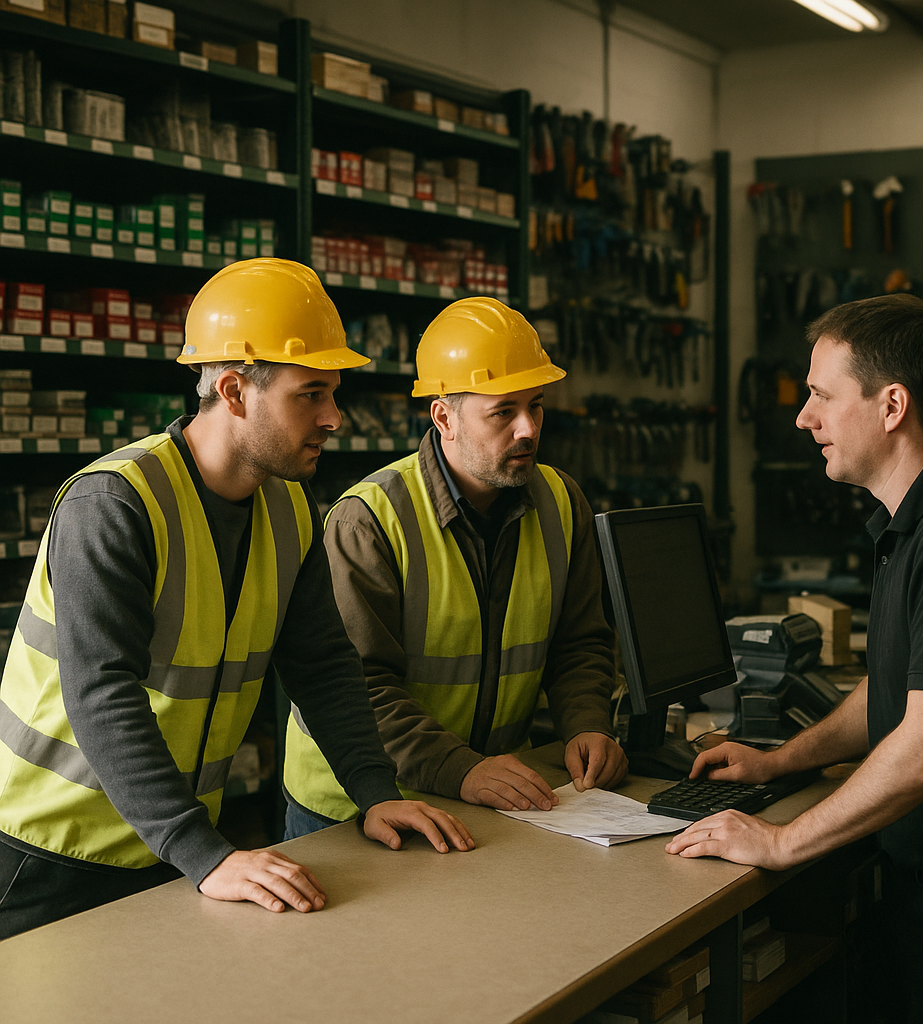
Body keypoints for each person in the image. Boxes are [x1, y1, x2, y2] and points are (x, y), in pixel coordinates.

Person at [0, 259, 472, 942]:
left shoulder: (290, 509)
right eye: (310, 394)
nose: (334, 418)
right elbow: (101, 691)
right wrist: (202, 850)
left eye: (333, 395)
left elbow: (323, 663)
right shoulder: (115, 504)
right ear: (234, 391)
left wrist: (376, 793)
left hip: (168, 845)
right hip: (50, 852)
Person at [666, 293, 923, 1022]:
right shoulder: (919, 517)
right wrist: (779, 762)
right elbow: (896, 691)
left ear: (891, 405)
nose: (804, 418)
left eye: (822, 395)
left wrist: (784, 840)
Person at [283, 296, 627, 834]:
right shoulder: (371, 519)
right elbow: (357, 685)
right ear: (443, 416)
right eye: (503, 411)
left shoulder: (561, 502)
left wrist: (587, 724)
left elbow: (580, 640)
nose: (528, 430)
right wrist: (460, 769)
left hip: (490, 793)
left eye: (535, 406)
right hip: (357, 806)